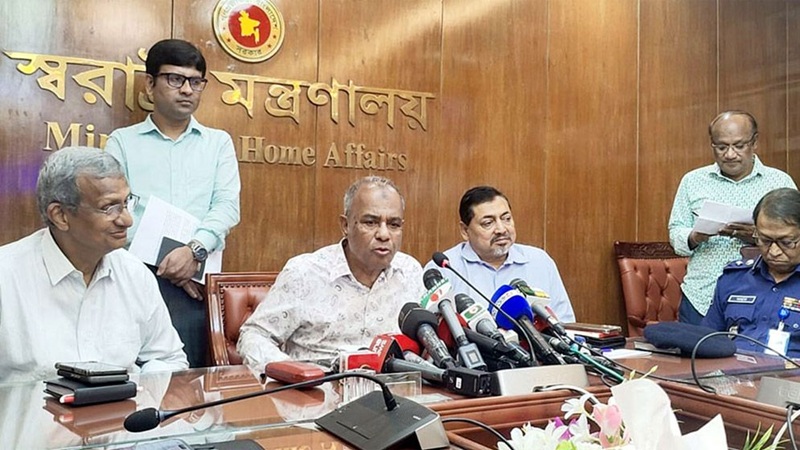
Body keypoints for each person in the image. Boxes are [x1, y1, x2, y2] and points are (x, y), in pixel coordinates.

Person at [105, 39, 241, 367]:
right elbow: (113, 209)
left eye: (196, 82)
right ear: (150, 84)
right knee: (129, 377)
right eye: (175, 79)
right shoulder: (122, 142)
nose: (187, 90)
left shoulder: (218, 143)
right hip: (134, 277)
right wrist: (171, 262)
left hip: (194, 285)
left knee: (187, 379)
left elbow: (227, 207)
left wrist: (193, 252)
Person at [0, 147, 188, 384]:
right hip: (31, 409)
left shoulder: (134, 273)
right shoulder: (6, 275)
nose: (127, 220)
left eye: (126, 203)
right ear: (60, 216)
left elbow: (169, 358)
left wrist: (142, 391)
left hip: (122, 407)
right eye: (109, 207)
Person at [237, 176, 425, 368]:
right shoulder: (304, 273)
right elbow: (254, 336)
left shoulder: (410, 272)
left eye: (394, 225)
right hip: (318, 383)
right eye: (370, 222)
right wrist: (292, 372)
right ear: (345, 226)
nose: (384, 234)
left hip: (392, 384)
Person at [669, 111, 796, 325]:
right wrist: (695, 236)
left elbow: (794, 237)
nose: (730, 154)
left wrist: (757, 236)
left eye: (738, 146)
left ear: (754, 142)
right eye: (721, 147)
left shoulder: (779, 182)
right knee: (696, 347)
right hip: (701, 294)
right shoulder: (693, 181)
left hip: (760, 297)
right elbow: (676, 232)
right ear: (712, 145)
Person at [424, 186, 576, 322]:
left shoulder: (540, 262)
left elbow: (565, 323)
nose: (501, 229)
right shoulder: (444, 269)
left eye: (506, 219)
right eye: (488, 223)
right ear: (465, 230)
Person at [703, 188, 800, 358]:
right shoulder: (733, 279)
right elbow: (706, 341)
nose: (774, 252)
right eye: (765, 240)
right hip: (731, 370)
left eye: (786, 242)